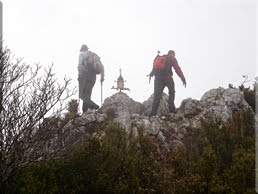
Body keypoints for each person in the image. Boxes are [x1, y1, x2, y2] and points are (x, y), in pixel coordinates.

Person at [148, 50, 186, 117]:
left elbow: (154, 68)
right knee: (172, 92)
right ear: (172, 54)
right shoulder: (171, 58)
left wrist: (151, 74)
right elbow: (177, 69)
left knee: (157, 97)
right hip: (168, 78)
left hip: (157, 79)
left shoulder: (159, 58)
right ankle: (171, 109)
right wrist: (183, 79)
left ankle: (152, 114)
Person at [78, 44, 104, 113]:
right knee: (87, 96)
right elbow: (102, 67)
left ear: (82, 49)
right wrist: (102, 78)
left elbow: (80, 66)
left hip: (85, 77)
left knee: (82, 95)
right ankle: (85, 112)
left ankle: (94, 106)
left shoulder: (82, 54)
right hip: (93, 78)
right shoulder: (94, 56)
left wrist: (80, 76)